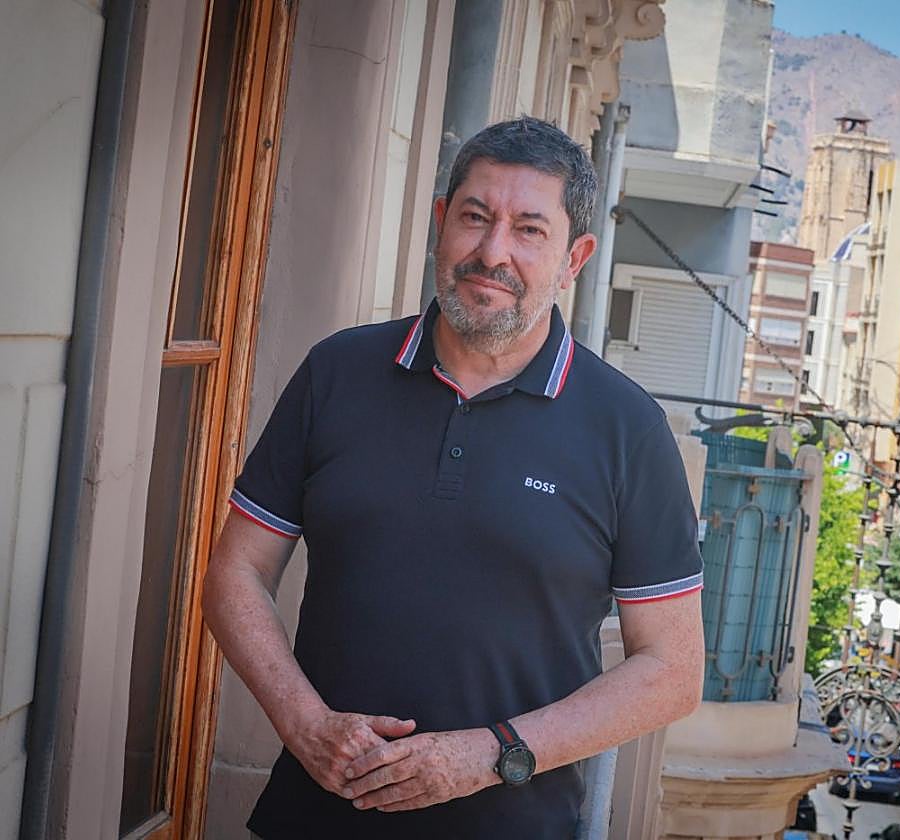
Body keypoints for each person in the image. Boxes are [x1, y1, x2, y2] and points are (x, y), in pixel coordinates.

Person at [202, 116, 706, 839]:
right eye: (475, 217)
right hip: (310, 820)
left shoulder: (627, 429)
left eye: (530, 229)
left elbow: (671, 669)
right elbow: (235, 572)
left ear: (575, 257)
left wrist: (493, 754)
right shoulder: (338, 372)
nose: (492, 252)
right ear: (441, 222)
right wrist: (304, 722)